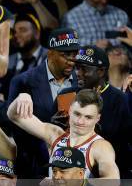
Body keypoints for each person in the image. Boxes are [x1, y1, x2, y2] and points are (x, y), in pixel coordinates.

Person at [7, 27, 81, 178]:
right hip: (34, 171)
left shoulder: (83, 80)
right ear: (50, 53)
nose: (71, 60)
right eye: (65, 55)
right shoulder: (23, 82)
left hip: (76, 168)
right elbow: (13, 127)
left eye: (74, 54)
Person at [8, 88, 119, 182]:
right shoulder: (55, 134)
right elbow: (14, 116)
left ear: (97, 118)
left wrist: (71, 183)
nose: (80, 121)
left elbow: (113, 181)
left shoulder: (100, 146)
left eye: (88, 117)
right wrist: (22, 97)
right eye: (77, 114)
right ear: (70, 110)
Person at [54, 46, 131, 178]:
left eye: (84, 69)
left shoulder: (119, 99)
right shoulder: (66, 95)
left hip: (108, 174)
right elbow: (58, 137)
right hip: (69, 169)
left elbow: (124, 141)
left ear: (101, 71)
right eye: (77, 67)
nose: (78, 73)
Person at [63, 0, 129, 48]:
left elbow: (129, 48)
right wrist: (92, 49)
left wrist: (113, 48)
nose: (104, 0)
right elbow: (65, 54)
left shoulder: (121, 15)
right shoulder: (71, 19)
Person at [0, 13, 47, 101]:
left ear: (37, 33)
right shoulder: (8, 61)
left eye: (23, 30)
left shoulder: (49, 58)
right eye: (15, 32)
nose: (16, 35)